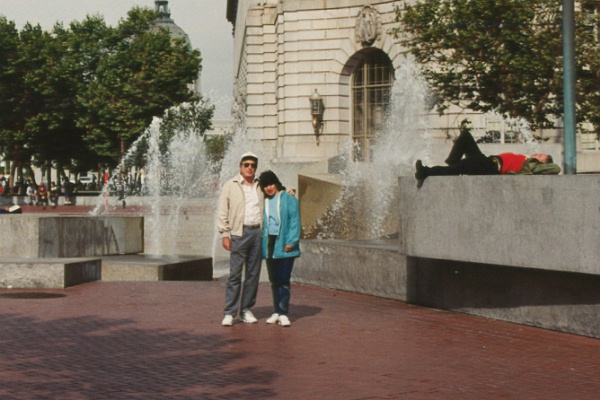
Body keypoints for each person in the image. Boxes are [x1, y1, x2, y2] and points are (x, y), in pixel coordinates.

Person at [415, 128, 561, 187]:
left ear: (542, 163)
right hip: (488, 160)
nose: (537, 154)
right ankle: (452, 163)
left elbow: (556, 168)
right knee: (465, 136)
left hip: (492, 167)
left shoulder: (533, 165)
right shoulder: (527, 158)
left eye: (541, 156)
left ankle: (426, 172)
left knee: (463, 165)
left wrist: (540, 163)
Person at [217, 152, 264, 326]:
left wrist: (289, 191)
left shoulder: (260, 184)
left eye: (253, 165)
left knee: (253, 274)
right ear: (240, 166)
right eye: (246, 165)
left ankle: (245, 310)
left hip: (257, 233)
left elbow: (276, 191)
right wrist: (225, 234)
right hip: (239, 233)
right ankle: (229, 312)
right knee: (235, 275)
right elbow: (223, 210)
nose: (250, 168)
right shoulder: (231, 185)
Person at [258, 170, 301, 327]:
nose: (268, 188)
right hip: (269, 243)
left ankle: (283, 313)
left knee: (283, 280)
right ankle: (276, 311)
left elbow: (295, 221)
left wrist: (291, 241)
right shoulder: (264, 200)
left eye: (270, 184)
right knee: (274, 280)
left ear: (276, 183)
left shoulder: (289, 199)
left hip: (283, 242)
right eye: (265, 186)